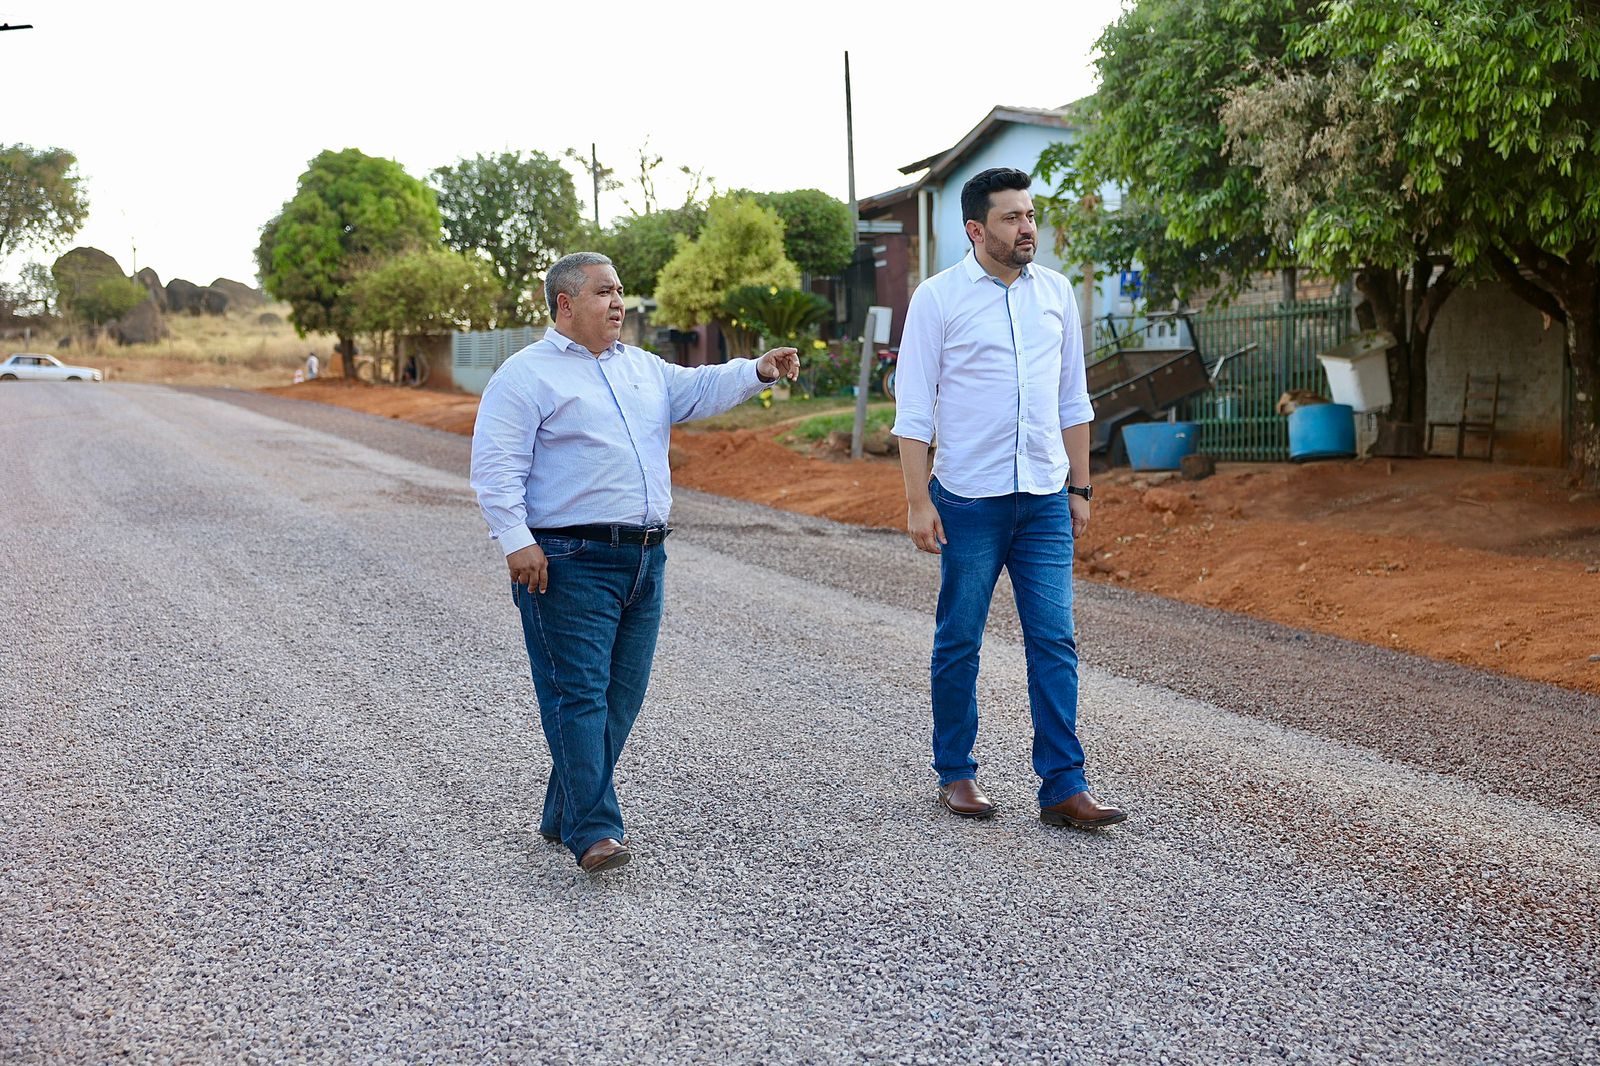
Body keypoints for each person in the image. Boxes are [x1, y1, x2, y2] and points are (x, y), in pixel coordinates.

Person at [470, 251, 799, 874]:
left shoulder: (642, 369)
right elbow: (495, 464)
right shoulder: (525, 375)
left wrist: (757, 369)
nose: (619, 303)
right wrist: (515, 539)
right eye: (604, 292)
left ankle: (563, 807)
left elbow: (698, 388)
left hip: (646, 557)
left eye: (621, 291)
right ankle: (594, 830)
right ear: (566, 303)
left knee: (622, 696)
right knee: (579, 696)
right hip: (568, 560)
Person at [891, 167, 1126, 831]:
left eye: (1029, 215)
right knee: (959, 638)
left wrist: (1080, 487)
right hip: (968, 499)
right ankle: (956, 773)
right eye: (1011, 218)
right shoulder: (938, 300)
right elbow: (913, 411)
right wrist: (917, 501)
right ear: (976, 229)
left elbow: (1073, 399)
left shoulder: (1053, 294)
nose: (1028, 229)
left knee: (1055, 639)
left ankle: (1063, 786)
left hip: (1046, 497)